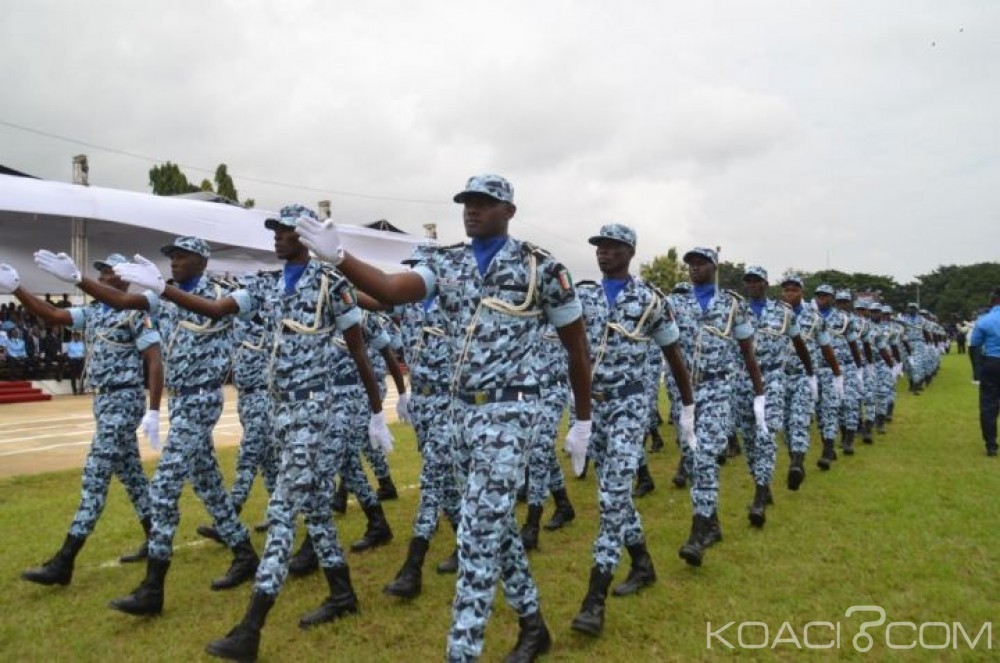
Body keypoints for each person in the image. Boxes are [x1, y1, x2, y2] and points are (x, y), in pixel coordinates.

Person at [296, 173, 593, 663]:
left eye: (485, 203)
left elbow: (576, 347)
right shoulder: (447, 263)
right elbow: (392, 289)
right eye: (467, 202)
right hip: (459, 416)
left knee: (476, 537)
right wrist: (340, 256)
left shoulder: (542, 268)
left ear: (509, 211)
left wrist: (583, 420)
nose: (472, 210)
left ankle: (463, 650)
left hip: (510, 413)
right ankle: (534, 627)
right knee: (493, 528)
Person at [111, 207, 389, 661]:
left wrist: (377, 411)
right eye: (275, 231)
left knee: (281, 514)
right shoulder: (265, 285)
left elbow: (358, 350)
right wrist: (162, 288)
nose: (277, 238)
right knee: (316, 510)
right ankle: (342, 594)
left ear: (306, 236)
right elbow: (217, 308)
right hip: (280, 412)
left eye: (285, 232)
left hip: (314, 412)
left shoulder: (331, 285)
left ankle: (251, 627)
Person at [33, 239, 259, 617]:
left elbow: (214, 311)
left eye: (182, 257)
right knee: (208, 485)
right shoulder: (162, 295)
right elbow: (122, 302)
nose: (174, 262)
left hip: (203, 398)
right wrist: (77, 279)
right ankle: (244, 552)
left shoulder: (224, 292)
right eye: (171, 257)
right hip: (181, 400)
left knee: (165, 487)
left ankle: (153, 588)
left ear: (202, 261)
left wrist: (162, 288)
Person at [1, 256, 163, 584]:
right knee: (131, 474)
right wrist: (18, 289)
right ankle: (156, 537)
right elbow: (52, 314)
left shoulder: (135, 313)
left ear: (123, 281)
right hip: (103, 400)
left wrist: (154, 408)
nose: (102, 275)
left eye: (109, 272)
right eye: (100, 270)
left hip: (123, 399)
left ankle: (64, 561)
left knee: (95, 477)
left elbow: (154, 360)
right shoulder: (92, 313)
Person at [569, 223, 694, 636]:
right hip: (593, 407)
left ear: (630, 252)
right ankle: (642, 564)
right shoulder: (582, 296)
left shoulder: (651, 301)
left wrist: (688, 407)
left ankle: (594, 598)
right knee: (615, 491)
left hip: (630, 405)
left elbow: (673, 355)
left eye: (612, 247)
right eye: (600, 246)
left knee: (611, 498)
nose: (603, 253)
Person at [670, 248, 765, 567]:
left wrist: (759, 393)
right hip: (685, 391)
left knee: (705, 454)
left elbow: (747, 352)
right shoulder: (675, 303)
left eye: (701, 263)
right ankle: (713, 523)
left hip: (716, 386)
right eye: (691, 264)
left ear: (715, 267)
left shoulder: (732, 305)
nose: (695, 268)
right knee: (690, 454)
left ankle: (698, 533)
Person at [734, 266, 814, 525]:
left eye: (757, 281)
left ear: (766, 284)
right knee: (748, 438)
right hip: (743, 380)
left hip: (772, 378)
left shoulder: (782, 313)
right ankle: (762, 485)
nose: (752, 285)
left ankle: (759, 497)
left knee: (766, 435)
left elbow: (799, 343)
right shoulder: (736, 311)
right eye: (748, 281)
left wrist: (811, 374)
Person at [969, 288, 1000, 457]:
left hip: (992, 363)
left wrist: (977, 371)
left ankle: (991, 444)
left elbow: (974, 347)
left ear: (993, 300)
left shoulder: (984, 320)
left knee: (988, 405)